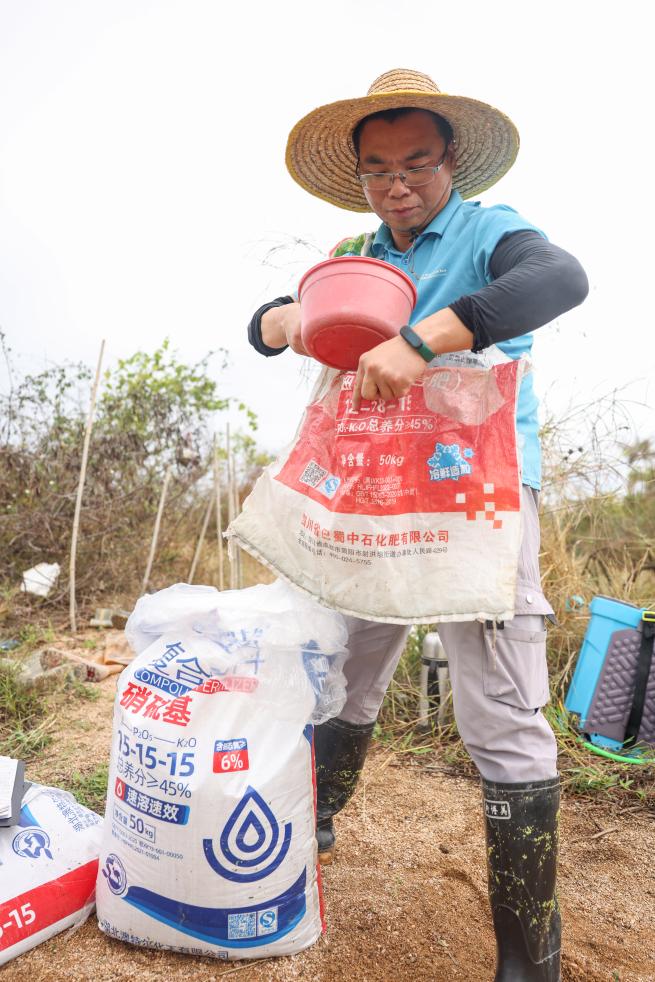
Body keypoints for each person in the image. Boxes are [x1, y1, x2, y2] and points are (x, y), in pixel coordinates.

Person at [247, 68, 588, 981]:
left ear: (450, 164)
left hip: (475, 499)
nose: (396, 183)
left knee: (499, 707)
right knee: (342, 673)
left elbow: (559, 280)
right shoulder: (358, 251)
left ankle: (530, 956)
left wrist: (422, 337)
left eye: (416, 163)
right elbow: (269, 324)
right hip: (365, 496)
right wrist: (280, 319)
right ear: (358, 176)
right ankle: (305, 839)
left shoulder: (487, 232)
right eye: (377, 167)